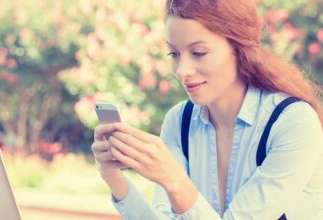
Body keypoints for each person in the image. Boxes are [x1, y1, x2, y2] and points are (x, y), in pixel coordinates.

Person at [91, 0, 323, 219]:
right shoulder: (179, 122)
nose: (182, 70)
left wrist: (173, 179)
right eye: (174, 54)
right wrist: (113, 178)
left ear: (239, 48)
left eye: (198, 53)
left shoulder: (293, 123)